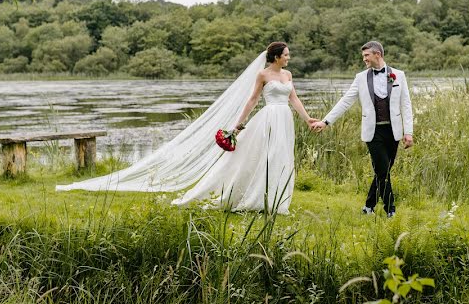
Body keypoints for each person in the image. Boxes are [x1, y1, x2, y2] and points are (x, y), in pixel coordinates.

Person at [57, 42, 319, 215]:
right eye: (286, 54)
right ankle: (255, 198)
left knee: (282, 157)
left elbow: (293, 98)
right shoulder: (263, 75)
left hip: (284, 118)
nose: (289, 58)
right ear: (275, 57)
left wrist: (307, 119)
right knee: (265, 157)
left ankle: (276, 201)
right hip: (268, 118)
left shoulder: (288, 76)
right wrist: (237, 126)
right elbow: (252, 100)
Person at [311, 41, 413, 218]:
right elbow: (345, 101)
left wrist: (408, 132)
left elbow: (406, 104)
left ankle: (368, 206)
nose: (364, 59)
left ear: (377, 55)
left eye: (366, 55)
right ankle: (391, 210)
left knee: (384, 170)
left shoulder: (399, 75)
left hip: (394, 131)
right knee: (383, 170)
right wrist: (325, 121)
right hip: (373, 132)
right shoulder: (360, 78)